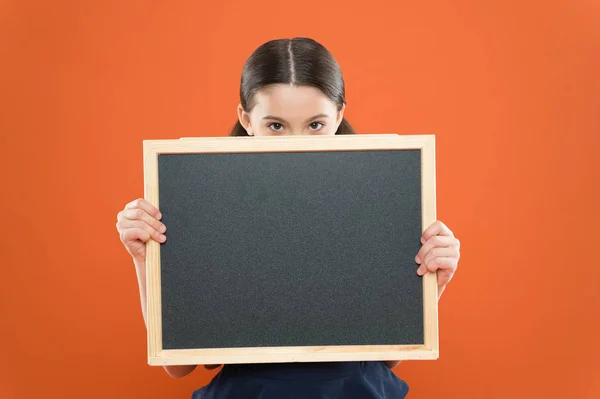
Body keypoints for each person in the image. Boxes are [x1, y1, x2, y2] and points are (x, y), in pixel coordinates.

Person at [116, 37, 460, 399]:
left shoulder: (379, 198)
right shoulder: (209, 204)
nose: (298, 143)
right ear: (246, 119)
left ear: (339, 115)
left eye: (315, 125)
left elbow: (388, 356)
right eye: (276, 125)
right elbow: (178, 365)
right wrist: (145, 258)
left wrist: (433, 281)